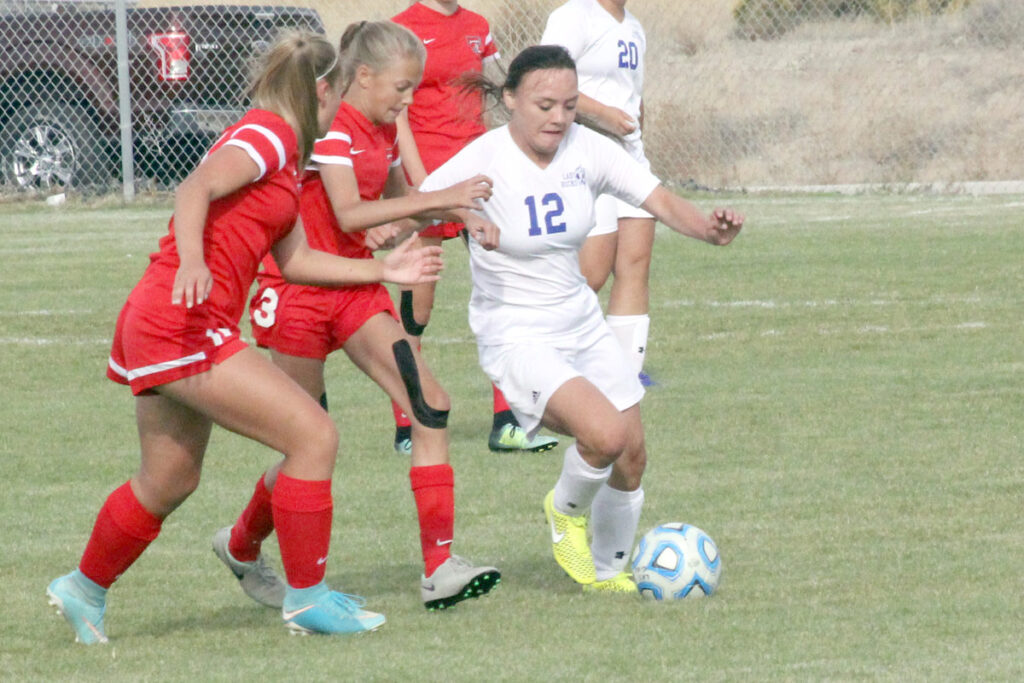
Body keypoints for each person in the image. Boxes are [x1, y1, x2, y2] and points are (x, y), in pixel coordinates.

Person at [45, 30, 446, 644]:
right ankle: (307, 600)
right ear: (322, 89)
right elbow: (194, 188)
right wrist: (191, 261)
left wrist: (382, 270)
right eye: (339, 95)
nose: (343, 112)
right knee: (313, 434)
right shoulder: (268, 135)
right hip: (180, 322)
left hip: (169, 324)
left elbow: (299, 262)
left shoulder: (288, 157)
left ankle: (82, 587)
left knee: (169, 479)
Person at [418, 45, 743, 592]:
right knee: (605, 434)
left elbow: (659, 199)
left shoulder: (588, 149)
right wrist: (461, 212)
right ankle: (564, 510)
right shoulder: (485, 156)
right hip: (516, 333)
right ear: (511, 99)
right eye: (545, 105)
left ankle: (607, 574)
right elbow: (418, 201)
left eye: (570, 105)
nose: (559, 117)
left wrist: (708, 229)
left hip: (581, 323)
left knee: (632, 455)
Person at [216, 20, 500, 614]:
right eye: (402, 86)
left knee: (431, 403)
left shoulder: (384, 129)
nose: (408, 99)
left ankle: (440, 568)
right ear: (362, 76)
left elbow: (391, 215)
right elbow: (348, 213)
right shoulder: (329, 126)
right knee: (306, 441)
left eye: (415, 88)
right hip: (297, 290)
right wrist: (444, 199)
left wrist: (452, 220)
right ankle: (243, 546)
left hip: (357, 287)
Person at [390, 0, 559, 455]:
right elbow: (398, 114)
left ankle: (508, 421)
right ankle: (409, 422)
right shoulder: (402, 29)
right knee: (415, 311)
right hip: (429, 181)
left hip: (480, 184)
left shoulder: (477, 27)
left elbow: (498, 93)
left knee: (503, 294)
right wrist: (421, 185)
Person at [541, 0, 656, 386]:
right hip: (586, 153)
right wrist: (604, 114)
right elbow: (547, 79)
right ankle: (551, 361)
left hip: (629, 157)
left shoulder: (634, 27)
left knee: (635, 262)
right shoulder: (574, 16)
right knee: (592, 272)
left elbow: (632, 95)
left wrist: (634, 123)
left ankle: (624, 375)